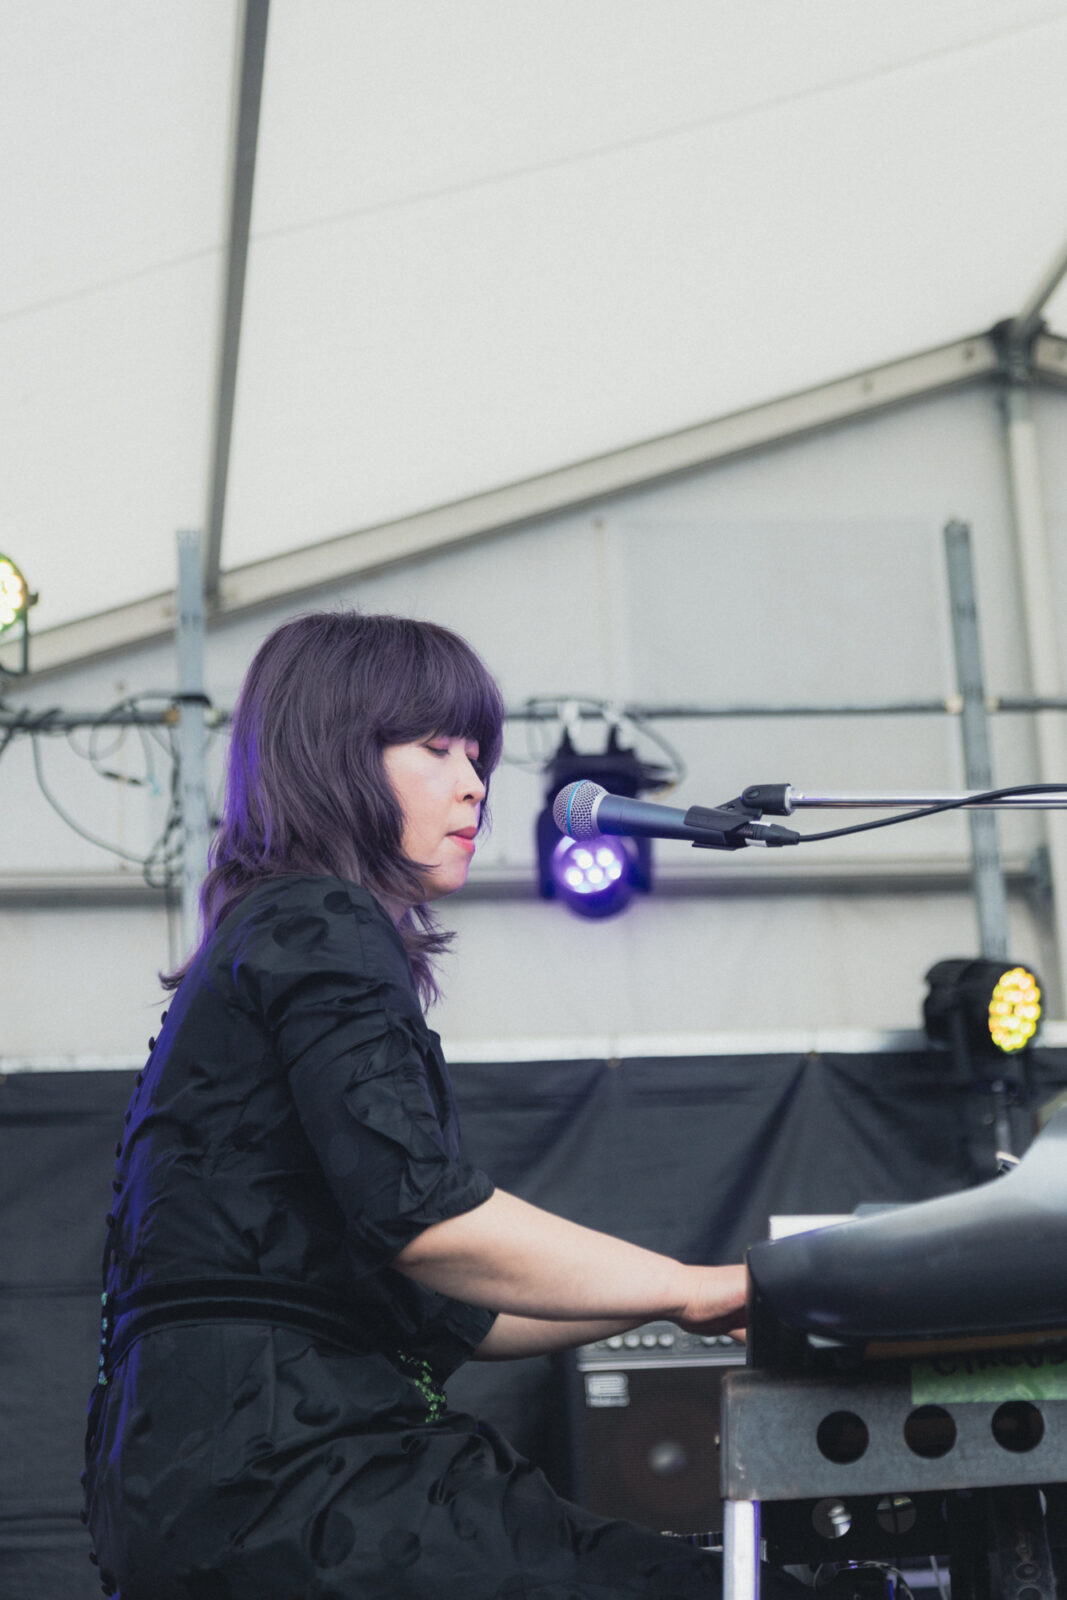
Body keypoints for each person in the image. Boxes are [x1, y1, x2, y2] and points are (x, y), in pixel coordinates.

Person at [82, 611, 783, 1600]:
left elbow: (460, 1310)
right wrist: (687, 1286)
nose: (474, 782)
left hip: (204, 1477)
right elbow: (427, 1220)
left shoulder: (263, 936)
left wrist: (676, 1303)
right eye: (435, 748)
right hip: (298, 1476)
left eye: (476, 754)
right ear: (334, 759)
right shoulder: (321, 918)